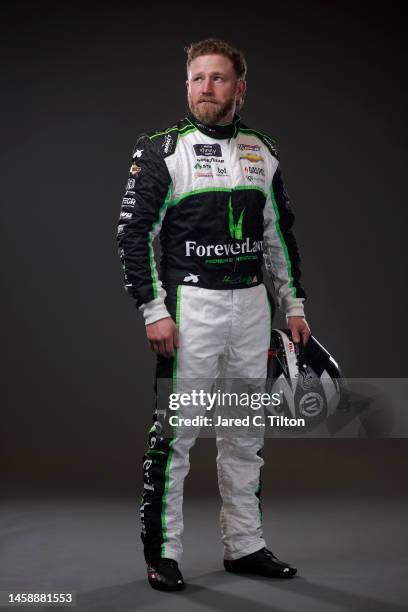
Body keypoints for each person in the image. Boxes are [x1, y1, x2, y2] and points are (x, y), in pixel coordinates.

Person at [117, 38, 311, 592]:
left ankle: (245, 545)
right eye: (196, 78)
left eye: (217, 78)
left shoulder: (263, 151)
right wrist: (153, 311)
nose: (205, 88)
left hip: (252, 307)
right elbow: (133, 235)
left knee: (244, 432)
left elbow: (278, 238)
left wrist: (293, 306)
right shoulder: (161, 149)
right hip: (190, 308)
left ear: (239, 87)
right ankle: (164, 554)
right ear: (187, 85)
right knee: (176, 435)